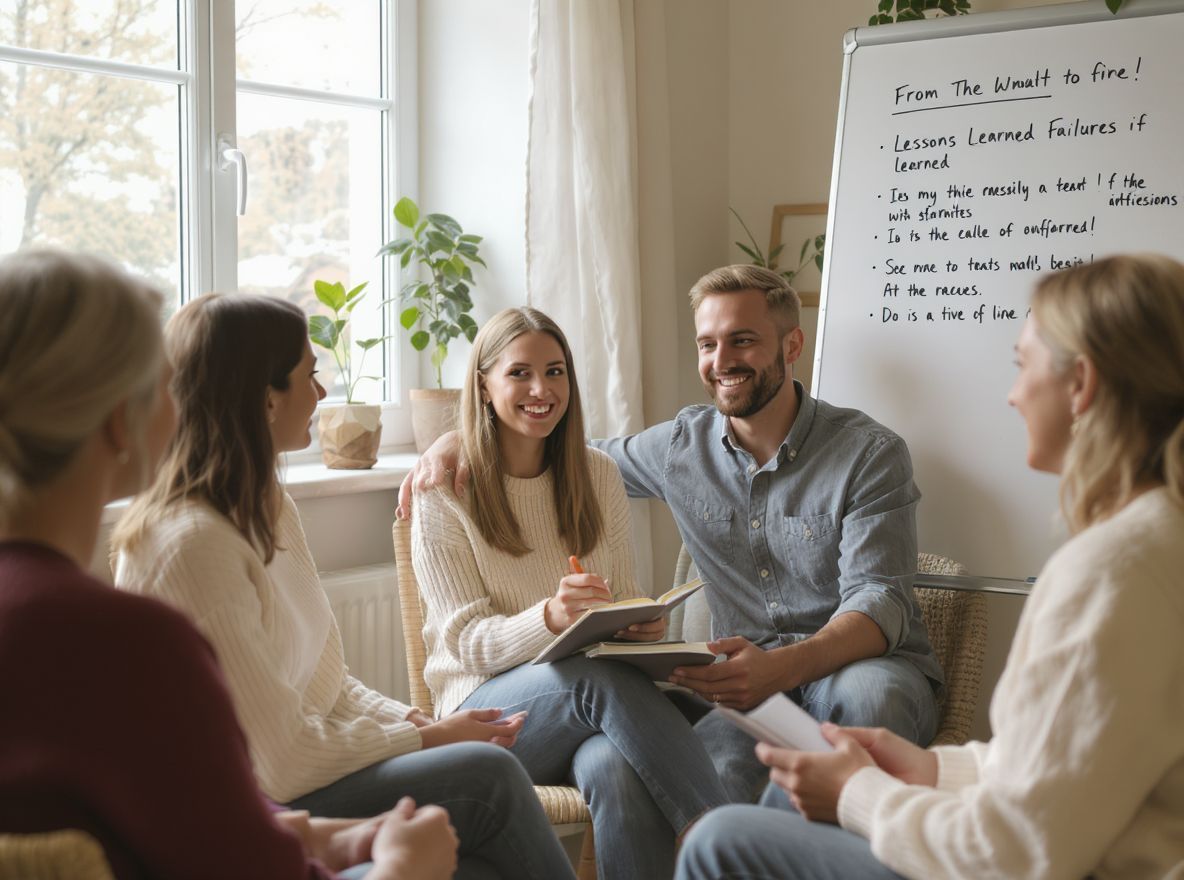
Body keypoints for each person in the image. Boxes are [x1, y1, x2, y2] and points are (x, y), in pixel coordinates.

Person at [675, 253, 1184, 880]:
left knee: (722, 840)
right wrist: (937, 770)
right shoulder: (1159, 539)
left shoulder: (1109, 572)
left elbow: (1015, 854)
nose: (1012, 394)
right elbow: (1071, 767)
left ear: (1082, 386)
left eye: (1022, 366)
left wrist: (859, 794)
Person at [400, 265, 942, 802]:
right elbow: (551, 444)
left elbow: (881, 601)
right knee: (715, 776)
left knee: (870, 698)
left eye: (743, 341)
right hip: (744, 692)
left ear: (792, 343)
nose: (722, 361)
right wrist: (457, 442)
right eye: (708, 344)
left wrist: (779, 668)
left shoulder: (869, 453)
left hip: (853, 668)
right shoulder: (683, 447)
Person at [0, 249, 458, 880]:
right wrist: (405, 867)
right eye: (164, 381)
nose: (187, 397)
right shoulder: (123, 636)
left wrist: (326, 837)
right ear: (118, 419)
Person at [112, 291, 576, 880]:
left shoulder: (267, 504)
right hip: (252, 809)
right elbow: (279, 764)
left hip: (301, 779)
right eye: (310, 375)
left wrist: (417, 723)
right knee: (489, 780)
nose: (324, 392)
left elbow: (330, 686)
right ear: (265, 398)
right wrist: (426, 742)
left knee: (475, 861)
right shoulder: (190, 546)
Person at [410, 306, 729, 880]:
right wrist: (551, 618)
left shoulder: (597, 474)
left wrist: (641, 624)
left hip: (590, 711)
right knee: (596, 679)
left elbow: (622, 594)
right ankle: (726, 846)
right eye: (519, 373)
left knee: (615, 768)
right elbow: (466, 644)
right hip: (483, 716)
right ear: (483, 385)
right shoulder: (445, 492)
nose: (541, 389)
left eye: (555, 371)